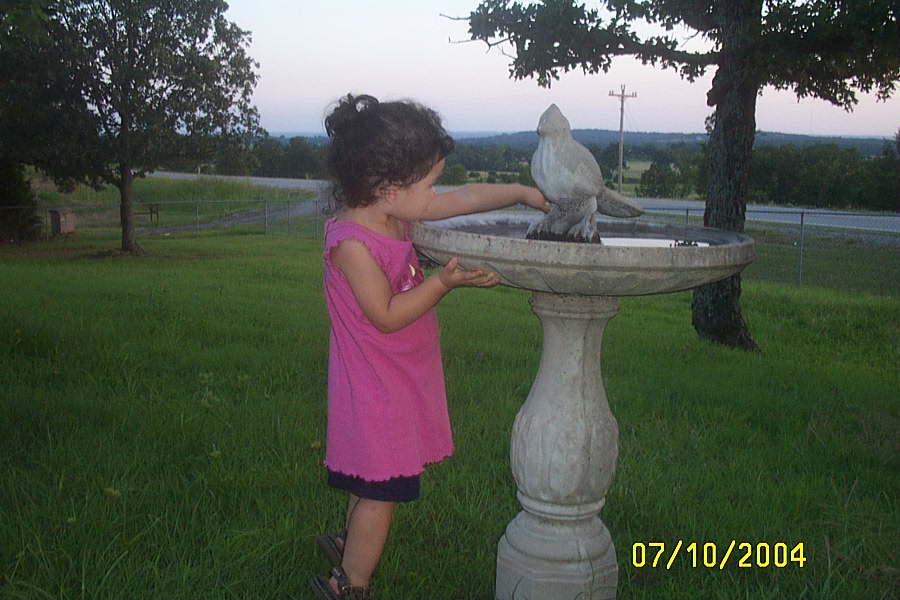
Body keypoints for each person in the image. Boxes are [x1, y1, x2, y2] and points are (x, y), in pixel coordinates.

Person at [310, 94, 548, 600]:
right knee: (382, 490)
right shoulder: (353, 245)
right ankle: (349, 584)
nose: (435, 193)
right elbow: (386, 314)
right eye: (429, 184)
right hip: (377, 389)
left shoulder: (393, 214)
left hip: (392, 380)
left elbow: (466, 197)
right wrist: (442, 283)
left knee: (370, 479)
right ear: (389, 189)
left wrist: (522, 192)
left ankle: (348, 544)